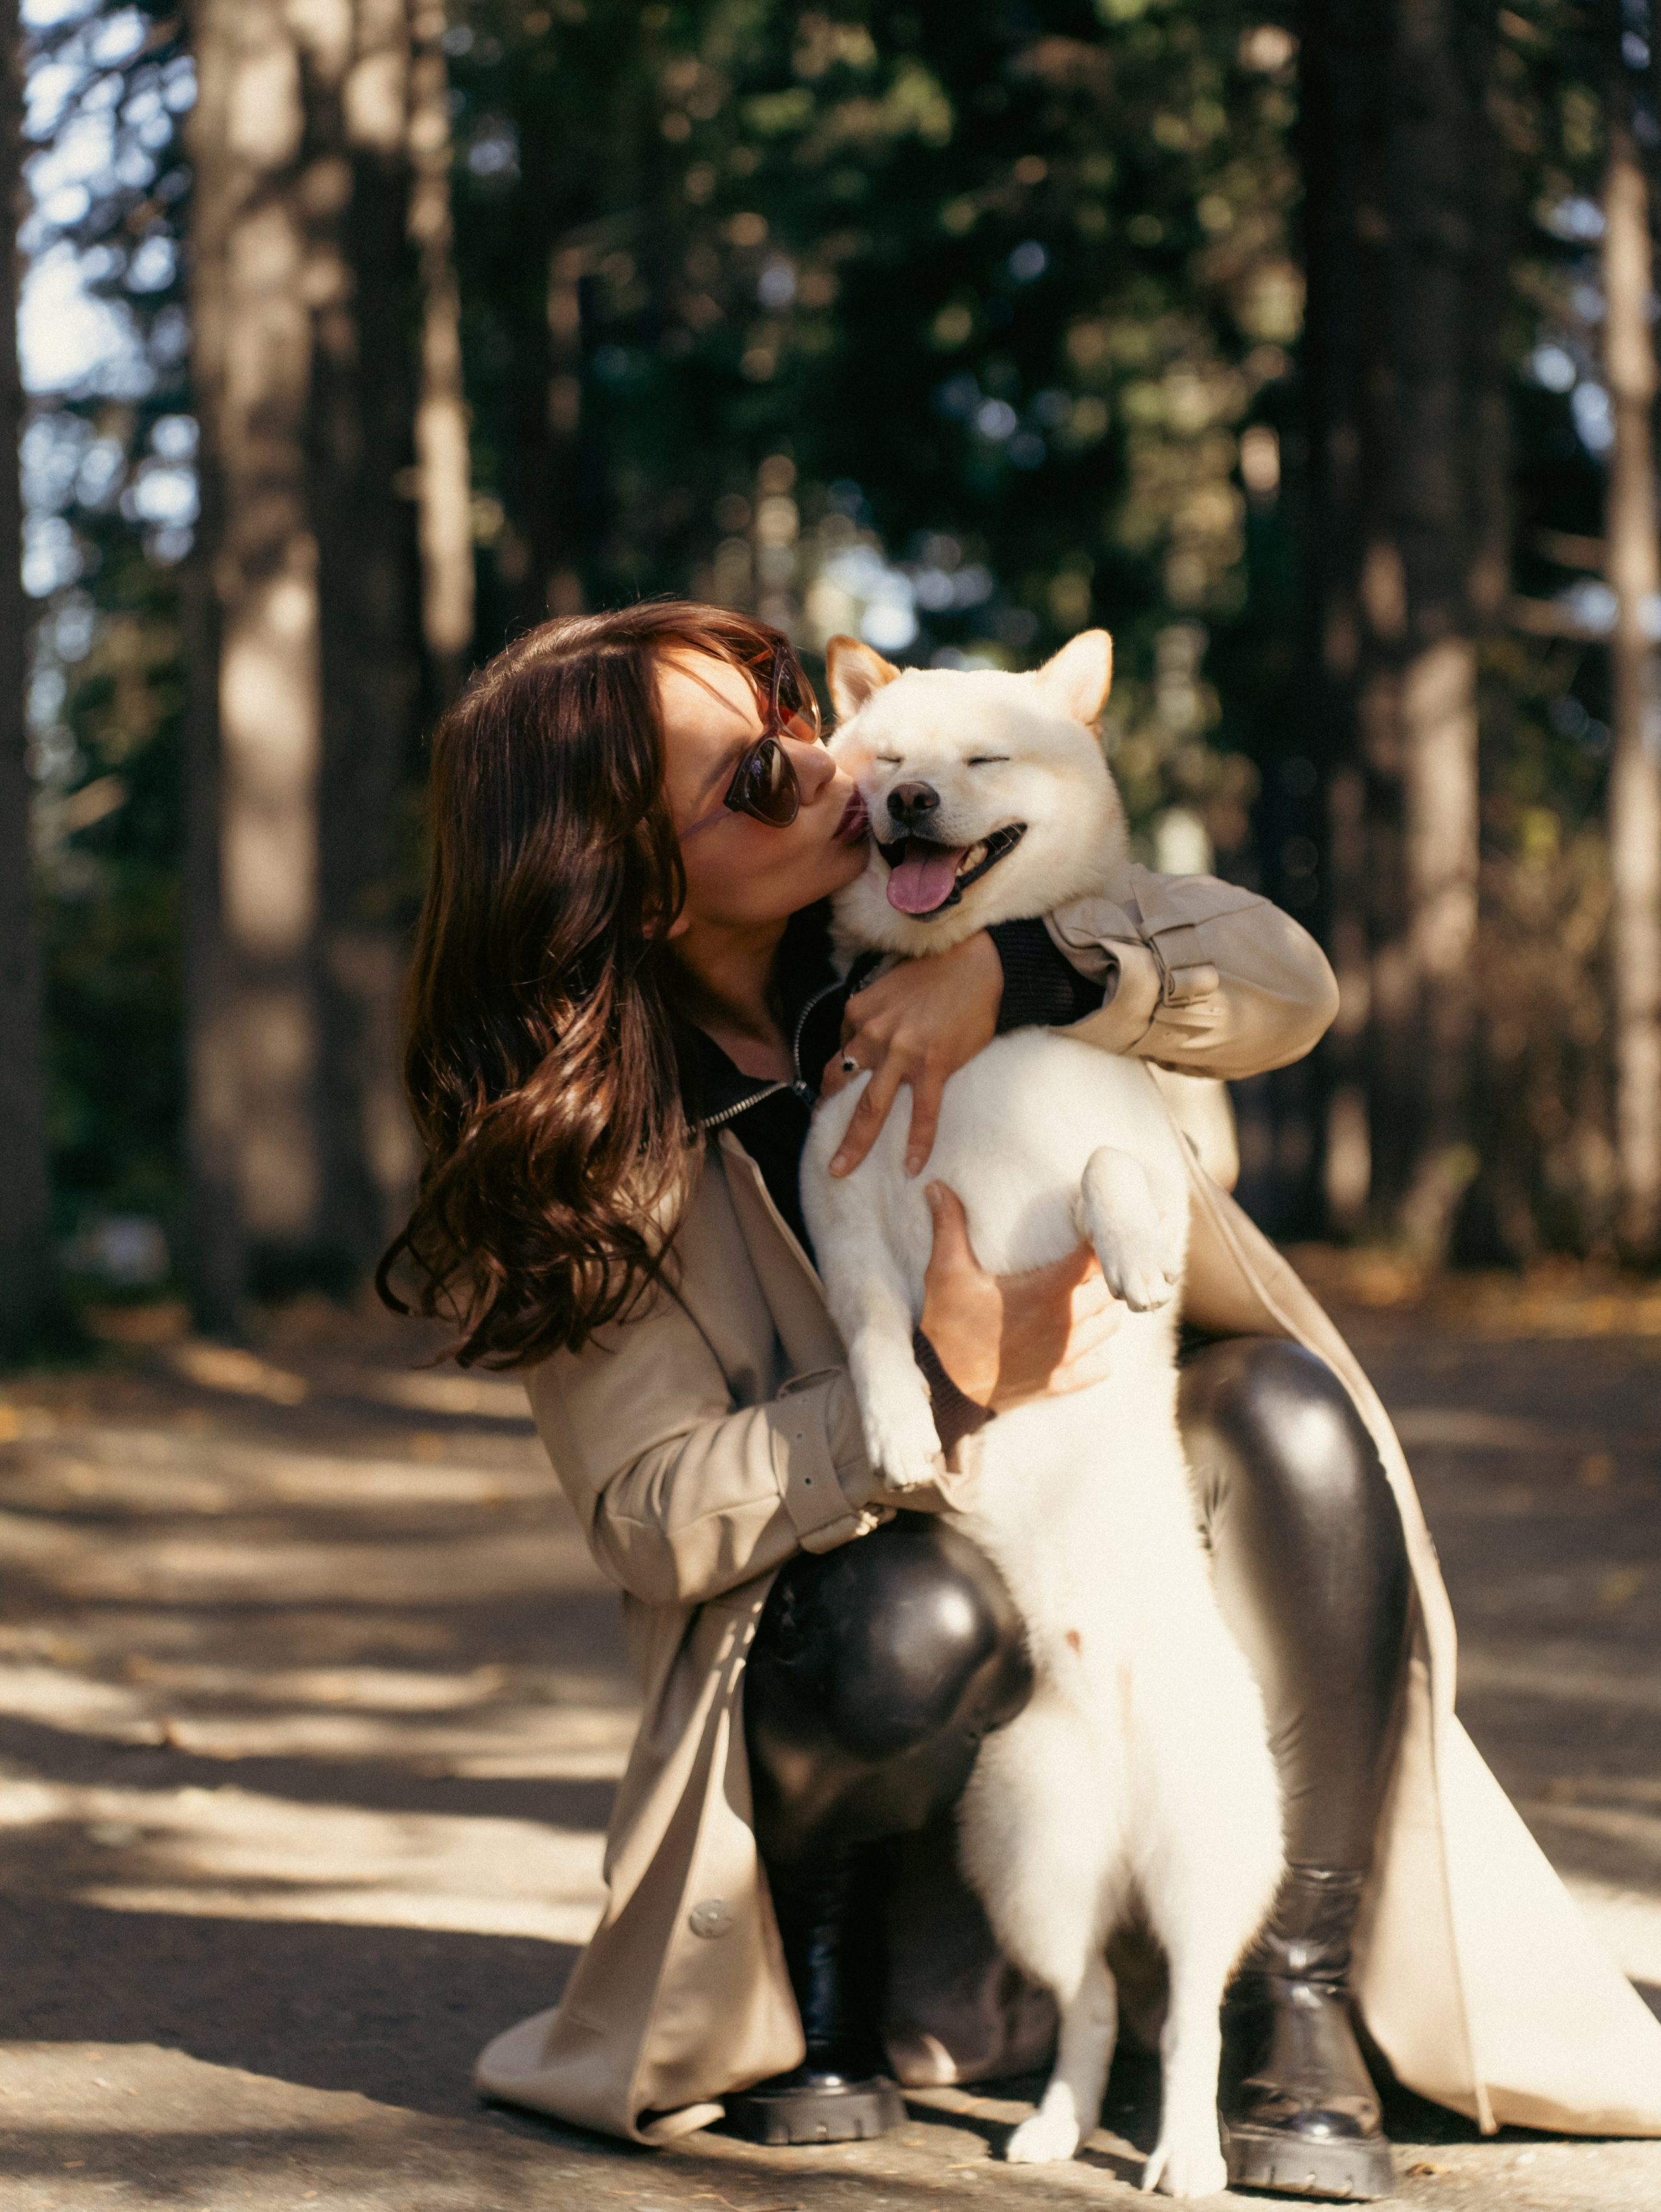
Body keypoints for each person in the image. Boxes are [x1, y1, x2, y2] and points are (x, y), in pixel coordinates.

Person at [380, 603, 1661, 2194]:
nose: (826, 769)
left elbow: (1283, 980)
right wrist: (926, 1382)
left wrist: (1027, 972)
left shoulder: (962, 893)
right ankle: (831, 1990)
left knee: (1286, 1410)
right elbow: (646, 1514)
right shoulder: (589, 1149)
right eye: (753, 782)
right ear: (628, 877)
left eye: (792, 716)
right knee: (910, 1608)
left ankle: (1296, 1995)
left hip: (1106, 1541)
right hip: (852, 1674)